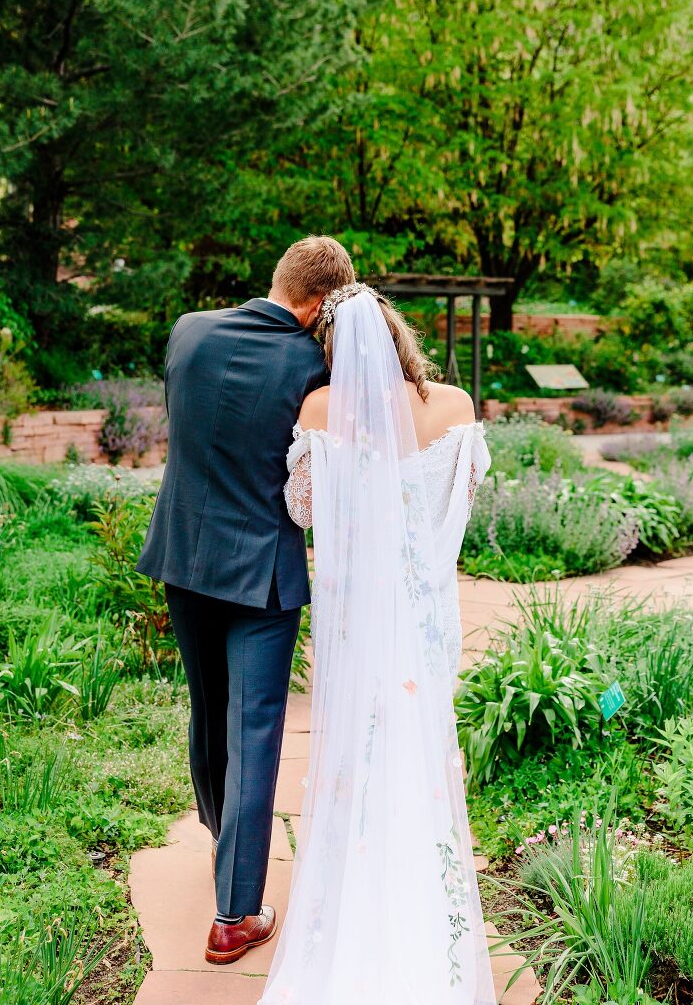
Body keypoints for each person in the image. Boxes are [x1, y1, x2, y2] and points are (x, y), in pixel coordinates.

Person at [260, 284, 496, 1004]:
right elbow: (463, 498)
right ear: (400, 337)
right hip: (426, 611)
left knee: (358, 753)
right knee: (420, 745)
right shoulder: (454, 406)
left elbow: (301, 509)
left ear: (335, 350)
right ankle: (421, 897)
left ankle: (359, 894)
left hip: (359, 615)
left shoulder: (322, 410)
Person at [136, 235, 356, 965]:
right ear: (320, 304)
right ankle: (234, 915)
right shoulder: (314, 366)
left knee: (209, 710)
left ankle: (222, 841)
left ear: (280, 280)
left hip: (184, 556)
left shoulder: (188, 331)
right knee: (254, 728)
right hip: (261, 572)